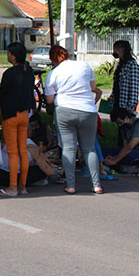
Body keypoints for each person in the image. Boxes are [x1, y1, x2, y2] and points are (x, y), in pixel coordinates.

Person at [44, 45, 103, 194]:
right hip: (88, 110)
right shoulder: (84, 65)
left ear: (53, 59)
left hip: (65, 110)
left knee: (69, 148)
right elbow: (92, 87)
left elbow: (49, 100)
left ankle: (71, 185)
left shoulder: (53, 73)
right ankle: (96, 185)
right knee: (89, 149)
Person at [0, 41, 36, 197]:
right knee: (23, 151)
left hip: (10, 115)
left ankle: (12, 186)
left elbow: (2, 94)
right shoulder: (29, 70)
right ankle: (22, 186)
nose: (7, 55)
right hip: (25, 114)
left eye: (9, 53)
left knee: (12, 152)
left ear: (13, 56)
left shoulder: (9, 73)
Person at [110, 40, 139, 113]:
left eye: (115, 50)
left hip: (125, 105)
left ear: (121, 50)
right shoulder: (121, 64)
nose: (114, 52)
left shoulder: (132, 65)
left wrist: (131, 106)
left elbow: (133, 87)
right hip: (117, 102)